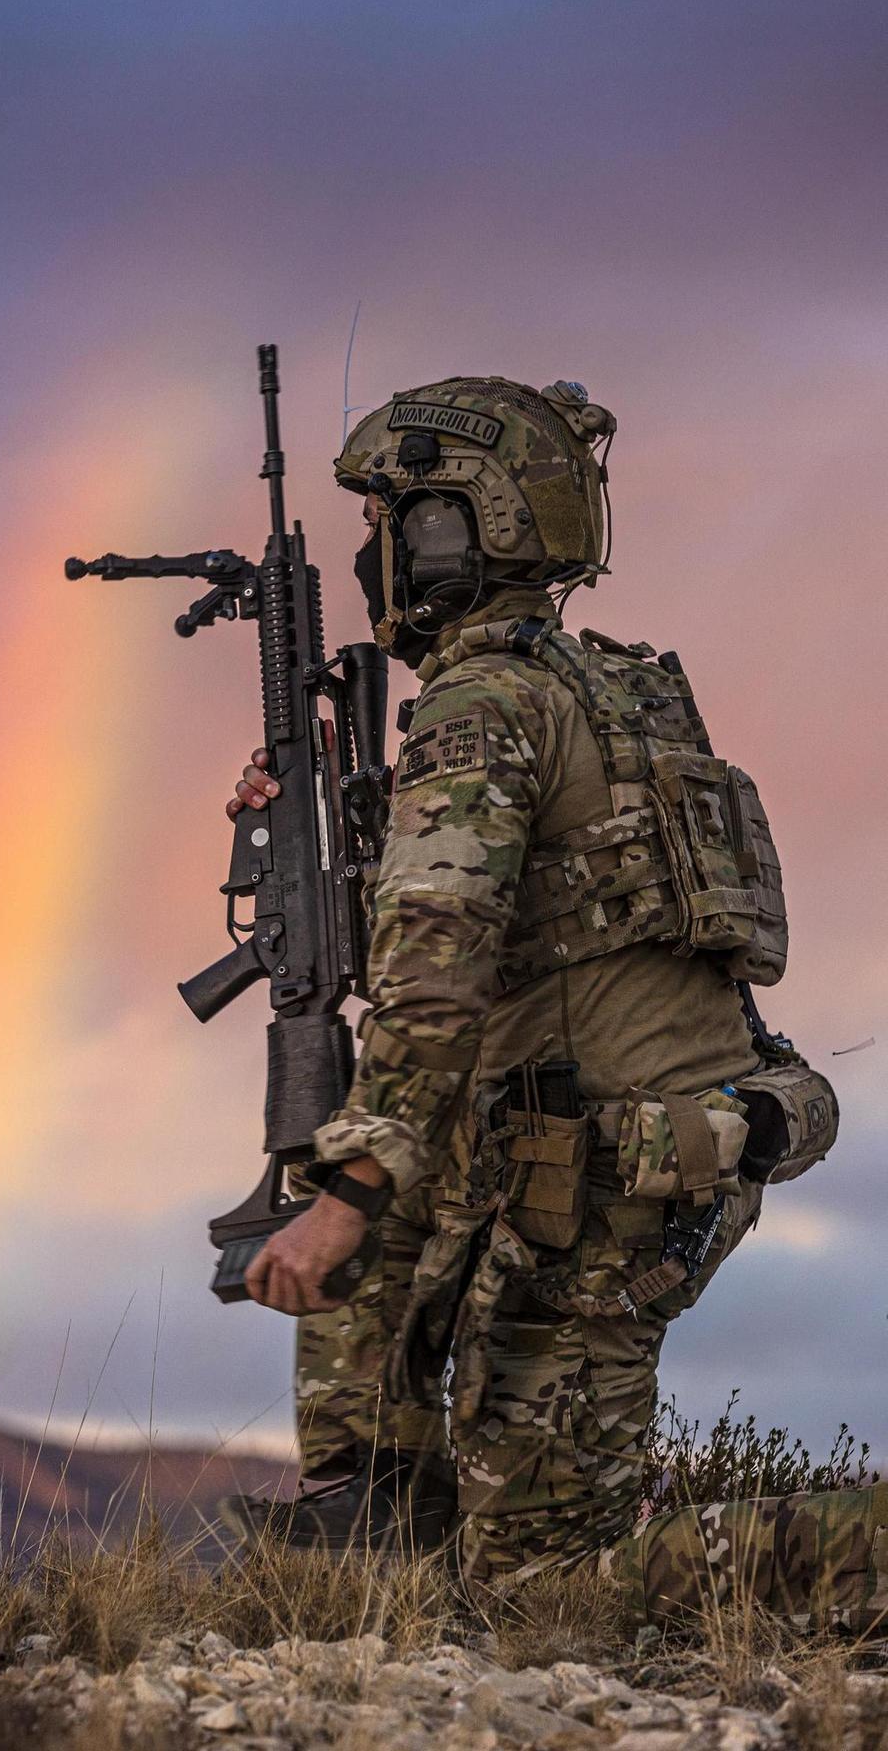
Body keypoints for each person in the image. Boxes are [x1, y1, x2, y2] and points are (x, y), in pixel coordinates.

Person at [222, 375, 843, 1616]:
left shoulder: (484, 701)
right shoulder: (603, 689)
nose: (374, 555)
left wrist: (348, 1190)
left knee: (544, 1595)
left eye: (393, 524)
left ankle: (855, 1548)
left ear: (459, 527)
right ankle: (380, 1502)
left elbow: (435, 970)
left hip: (609, 1178)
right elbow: (540, 928)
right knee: (457, 1560)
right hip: (633, 1149)